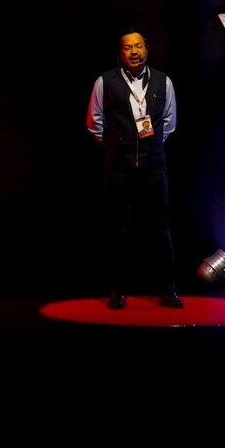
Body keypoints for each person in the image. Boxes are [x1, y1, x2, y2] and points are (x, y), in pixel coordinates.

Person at [87, 26, 182, 309]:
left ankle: (169, 289)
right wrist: (118, 145)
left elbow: (169, 122)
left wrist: (150, 147)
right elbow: (94, 122)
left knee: (160, 227)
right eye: (128, 47)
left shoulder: (164, 81)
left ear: (147, 49)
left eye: (138, 46)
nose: (134, 52)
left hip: (154, 164)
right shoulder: (105, 81)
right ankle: (117, 290)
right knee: (119, 228)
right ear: (120, 52)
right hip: (119, 164)